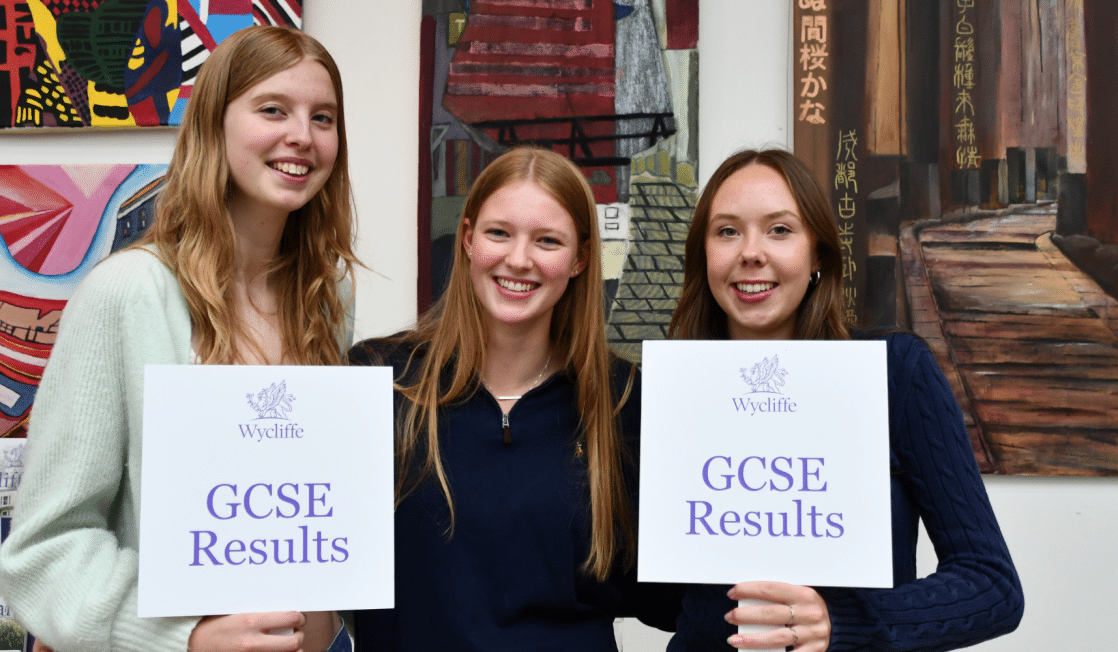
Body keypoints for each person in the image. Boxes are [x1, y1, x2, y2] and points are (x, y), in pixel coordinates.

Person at [0, 26, 358, 652]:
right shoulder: (127, 293)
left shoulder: (327, 299)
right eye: (273, 109)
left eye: (322, 117)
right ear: (214, 125)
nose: (302, 134)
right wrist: (181, 636)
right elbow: (46, 546)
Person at [666, 149, 1024, 651]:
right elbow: (663, 599)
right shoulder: (673, 395)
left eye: (780, 230)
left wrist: (845, 622)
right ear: (704, 255)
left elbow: (992, 587)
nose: (750, 252)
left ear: (817, 255)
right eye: (727, 231)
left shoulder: (895, 372)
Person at [347, 147, 679, 650]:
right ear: (467, 239)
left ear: (580, 260)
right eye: (499, 233)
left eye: (547, 241)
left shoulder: (625, 399)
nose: (519, 259)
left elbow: (671, 598)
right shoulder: (381, 380)